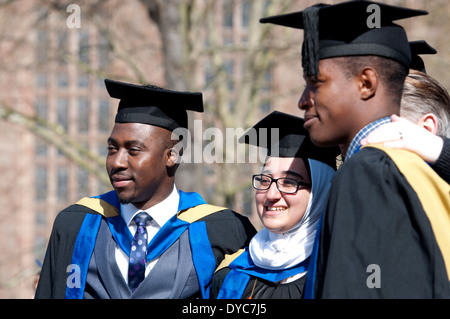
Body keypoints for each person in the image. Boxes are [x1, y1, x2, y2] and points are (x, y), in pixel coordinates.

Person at [261, 0, 450, 298]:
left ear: (366, 83)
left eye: (316, 83)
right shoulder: (415, 168)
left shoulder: (366, 172)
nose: (302, 100)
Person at [35, 79, 256, 299]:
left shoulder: (224, 231)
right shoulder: (76, 224)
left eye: (133, 150)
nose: (117, 162)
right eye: (112, 149)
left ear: (171, 155)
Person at [209, 111, 338, 299]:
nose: (271, 194)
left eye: (289, 182)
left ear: (319, 191)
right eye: (265, 180)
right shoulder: (231, 275)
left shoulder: (336, 272)